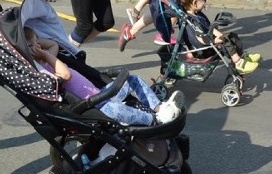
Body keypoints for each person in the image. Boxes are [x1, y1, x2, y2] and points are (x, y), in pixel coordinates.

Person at [24, 27, 182, 126]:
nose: (37, 47)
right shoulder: (41, 71)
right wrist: (44, 54)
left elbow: (54, 44)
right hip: (92, 105)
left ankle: (159, 108)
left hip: (99, 94)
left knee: (133, 80)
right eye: (31, 46)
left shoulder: (46, 59)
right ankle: (156, 120)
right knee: (115, 109)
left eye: (38, 42)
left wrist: (36, 44)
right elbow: (65, 74)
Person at [179, 0, 260, 74]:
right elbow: (199, 39)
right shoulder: (192, 21)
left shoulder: (198, 14)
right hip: (203, 49)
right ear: (194, 3)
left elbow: (208, 27)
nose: (204, 1)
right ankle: (238, 62)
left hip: (208, 41)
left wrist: (218, 34)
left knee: (232, 36)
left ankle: (241, 57)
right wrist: (214, 41)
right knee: (225, 41)